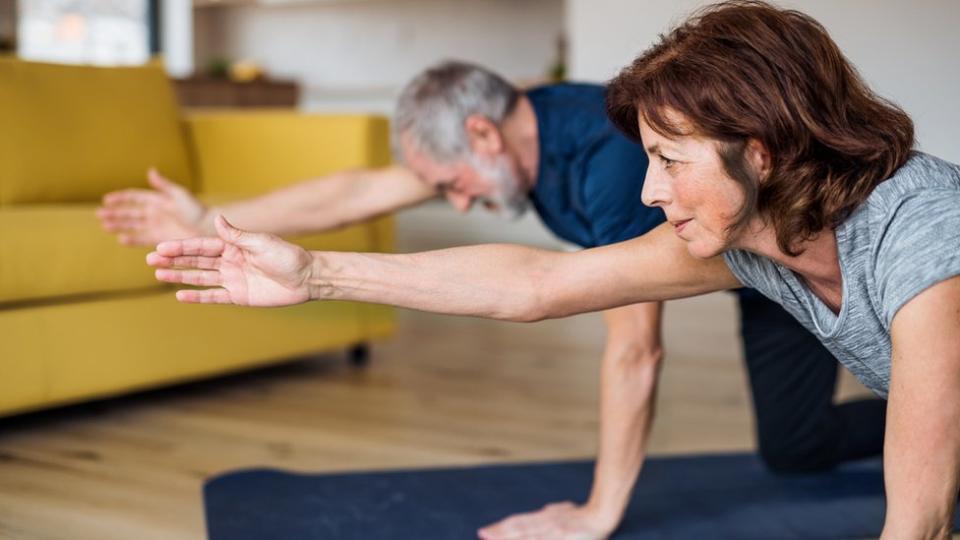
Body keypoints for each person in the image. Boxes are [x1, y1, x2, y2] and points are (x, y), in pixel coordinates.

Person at [131, 34, 916, 536]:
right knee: (796, 448)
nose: (459, 200)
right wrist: (216, 222)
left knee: (908, 394)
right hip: (751, 271)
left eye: (456, 186)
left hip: (797, 258)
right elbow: (365, 196)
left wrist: (598, 514)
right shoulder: (508, 131)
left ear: (479, 134)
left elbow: (634, 353)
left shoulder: (615, 176)